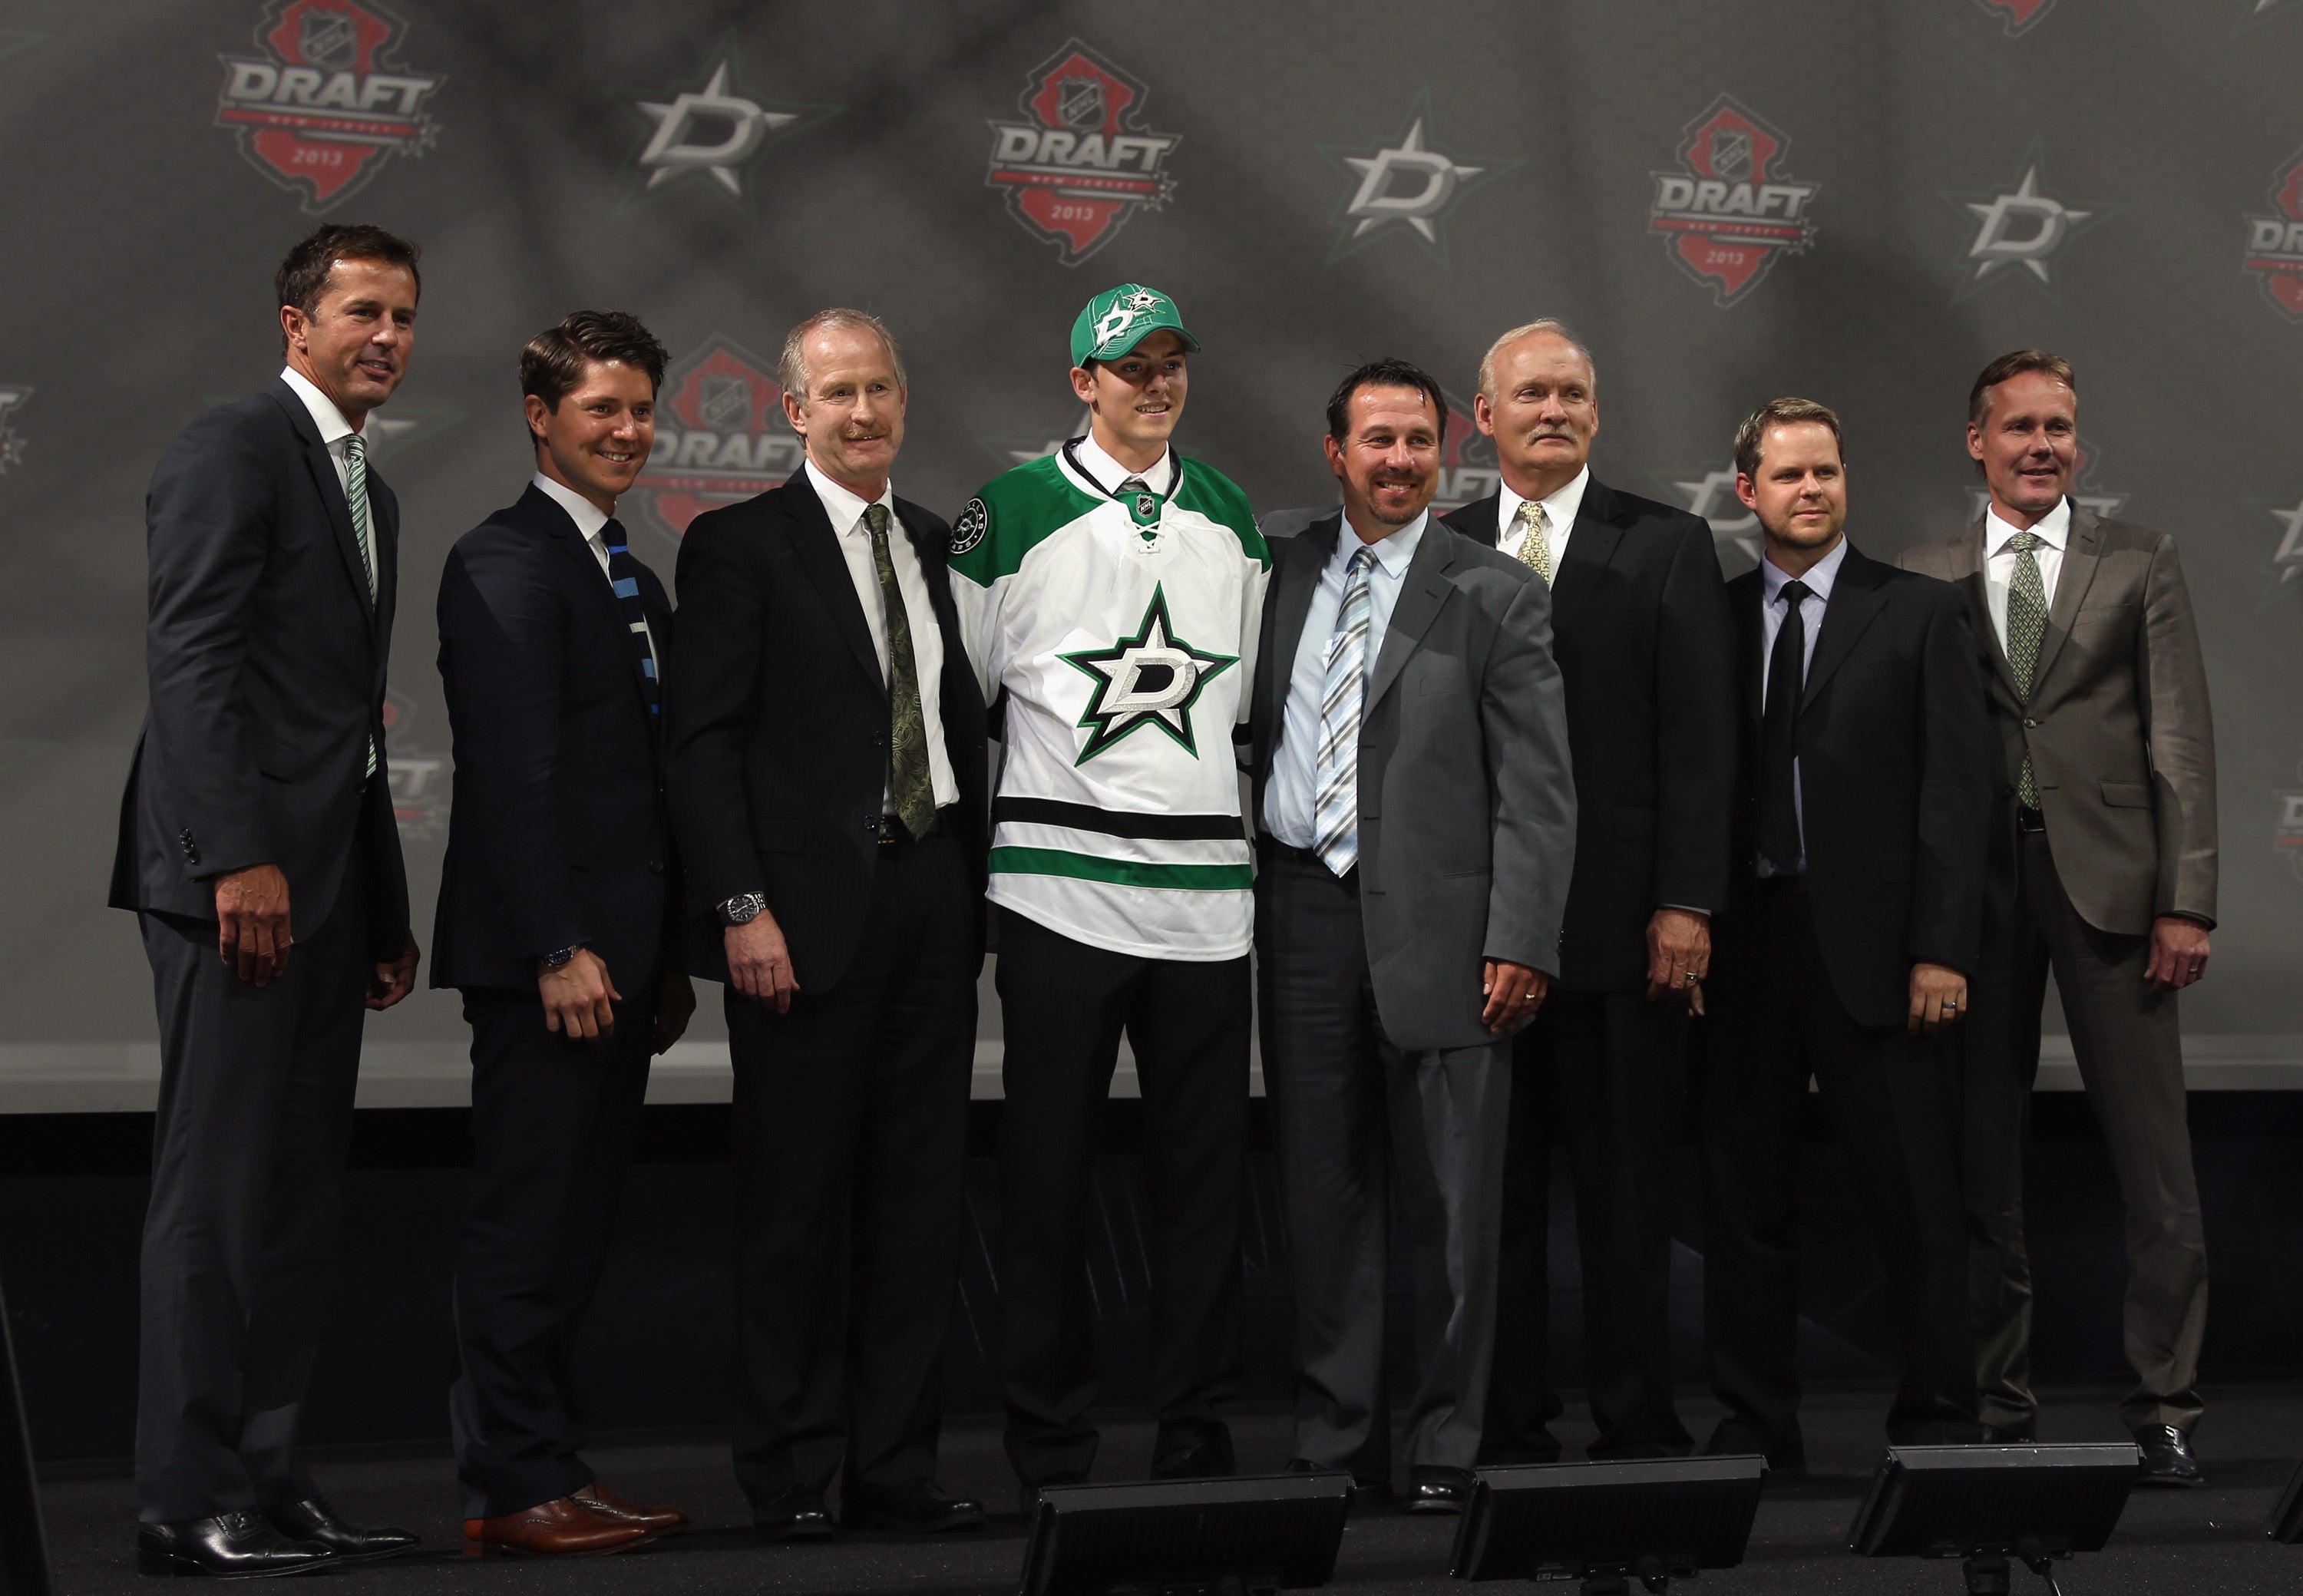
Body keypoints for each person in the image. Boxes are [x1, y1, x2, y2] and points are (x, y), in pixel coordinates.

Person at [108, 223, 424, 1578]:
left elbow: (345, 723)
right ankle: (184, 1499)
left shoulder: (374, 489)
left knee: (294, 1204)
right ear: (296, 324)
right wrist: (238, 856)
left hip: (328, 891)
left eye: (405, 317)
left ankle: (268, 1475)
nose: (389, 337)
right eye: (362, 312)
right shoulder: (234, 445)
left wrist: (384, 903)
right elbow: (192, 664)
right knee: (218, 1197)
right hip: (232, 883)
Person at [663, 309, 989, 1540]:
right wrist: (741, 907)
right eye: (837, 393)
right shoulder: (741, 547)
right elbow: (703, 751)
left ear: (904, 403)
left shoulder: (926, 536)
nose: (862, 413)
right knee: (798, 1209)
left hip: (930, 904)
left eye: (880, 391)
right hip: (799, 923)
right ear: (793, 410)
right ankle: (793, 1473)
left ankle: (894, 1468)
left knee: (918, 1209)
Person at [947, 285, 1267, 1511]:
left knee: (1201, 1195)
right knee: (1048, 1183)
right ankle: (1050, 1450)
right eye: (1129, 366)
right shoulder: (1006, 514)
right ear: (1081, 380)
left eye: (1172, 362)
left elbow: (1237, 708)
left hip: (1204, 907)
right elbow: (961, 696)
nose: (1156, 384)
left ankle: (1193, 1441)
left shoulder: (1231, 514)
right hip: (1056, 903)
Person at [1251, 358, 1575, 1511]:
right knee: (1323, 1201)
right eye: (1376, 441)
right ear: (1334, 451)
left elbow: (1538, 792)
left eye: (1419, 443)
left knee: (1452, 1212)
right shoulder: (1272, 570)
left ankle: (1445, 1447)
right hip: (1300, 920)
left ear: (1448, 455)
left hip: (1452, 935)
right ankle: (1337, 1447)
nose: (1399, 461)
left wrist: (1524, 938)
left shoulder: (1495, 592)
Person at [1899, 352, 2216, 1485]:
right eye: (2021, 426)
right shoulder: (1924, 572)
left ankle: (2166, 1402)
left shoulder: (2140, 559)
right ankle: (1998, 1398)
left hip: (2120, 892)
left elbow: (2178, 738)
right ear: (1976, 441)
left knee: (2157, 1168)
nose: (2044, 445)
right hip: (1976, 897)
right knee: (1986, 1162)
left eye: (2061, 427)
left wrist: (2188, 898)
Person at [1439, 321, 1735, 1463]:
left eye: (1571, 394)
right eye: (1529, 395)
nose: (1552, 410)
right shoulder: (1441, 542)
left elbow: (1702, 743)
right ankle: (1506, 1426)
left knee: (1626, 1202)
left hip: (1624, 936)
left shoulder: (1666, 544)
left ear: (1597, 414)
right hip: (1480, 935)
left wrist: (1688, 904)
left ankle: (1637, 1425)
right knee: (1495, 1204)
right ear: (1486, 416)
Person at [433, 311, 696, 1556]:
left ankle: (555, 1466)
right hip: (553, 967)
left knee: (579, 1228)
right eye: (603, 409)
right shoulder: (503, 560)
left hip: (623, 967)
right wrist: (555, 944)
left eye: (642, 408)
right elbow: (509, 776)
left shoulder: (631, 574)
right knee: (526, 1222)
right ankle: (506, 1485)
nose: (629, 430)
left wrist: (662, 957)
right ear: (541, 416)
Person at [1700, 398, 1991, 1469]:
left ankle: (1939, 1425)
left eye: (1826, 471)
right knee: (1744, 1209)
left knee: (1916, 1206)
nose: (1811, 490)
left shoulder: (1918, 613)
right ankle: (1755, 1426)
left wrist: (1943, 949)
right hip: (1742, 955)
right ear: (1748, 493)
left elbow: (1959, 799)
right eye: (1788, 476)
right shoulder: (1716, 616)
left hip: (1886, 958)